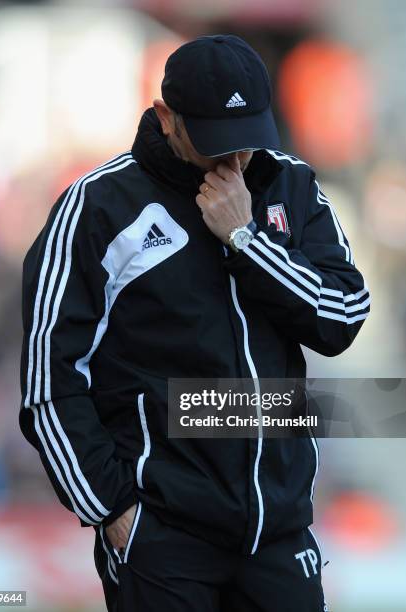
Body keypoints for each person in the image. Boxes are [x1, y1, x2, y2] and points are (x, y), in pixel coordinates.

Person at [19, 35, 369, 611]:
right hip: (163, 537)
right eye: (215, 145)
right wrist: (110, 510)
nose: (234, 163)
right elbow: (48, 379)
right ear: (166, 119)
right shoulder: (98, 206)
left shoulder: (292, 185)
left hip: (279, 533)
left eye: (247, 142)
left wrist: (246, 241)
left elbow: (343, 316)